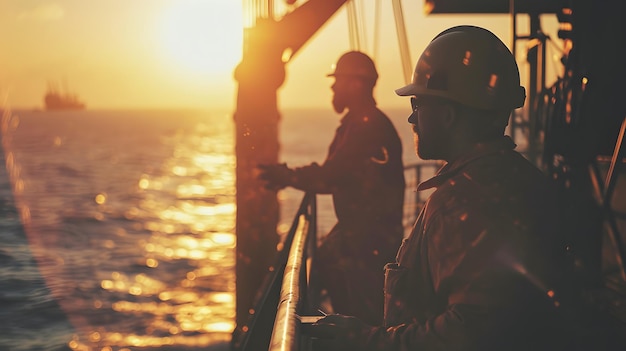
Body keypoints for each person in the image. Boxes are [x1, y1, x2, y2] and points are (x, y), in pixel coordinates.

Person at [309, 25, 586, 351]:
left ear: (449, 115)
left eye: (417, 104)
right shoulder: (524, 179)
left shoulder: (462, 200)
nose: (412, 119)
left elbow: (471, 333)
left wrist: (367, 341)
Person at [257, 51, 405, 325]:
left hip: (367, 247)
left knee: (365, 322)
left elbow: (333, 175)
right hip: (367, 239)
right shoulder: (361, 123)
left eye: (338, 81)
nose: (333, 87)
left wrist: (286, 176)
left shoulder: (366, 126)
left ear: (356, 84)